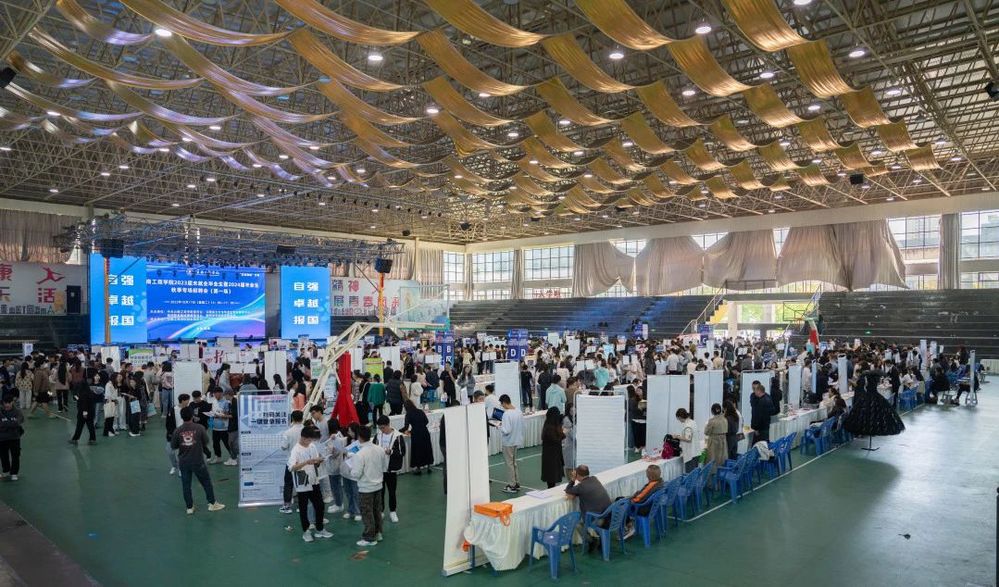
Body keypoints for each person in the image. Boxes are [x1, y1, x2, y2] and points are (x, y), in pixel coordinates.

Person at [170, 407, 225, 514]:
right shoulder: (199, 428)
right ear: (192, 416)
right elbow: (206, 441)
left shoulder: (177, 430)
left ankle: (189, 507)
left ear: (181, 417)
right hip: (197, 461)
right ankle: (212, 503)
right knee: (206, 482)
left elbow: (173, 446)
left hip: (184, 462)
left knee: (186, 485)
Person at [289, 426, 334, 543]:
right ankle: (306, 531)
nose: (310, 442)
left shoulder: (312, 446)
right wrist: (305, 462)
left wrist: (319, 460)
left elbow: (315, 460)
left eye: (311, 440)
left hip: (314, 480)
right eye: (309, 440)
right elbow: (292, 467)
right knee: (303, 508)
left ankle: (320, 528)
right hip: (302, 483)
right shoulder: (295, 450)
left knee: (320, 505)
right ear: (303, 438)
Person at [564, 464, 612, 552]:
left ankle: (591, 541)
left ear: (578, 475)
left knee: (577, 523)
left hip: (599, 519)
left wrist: (573, 479)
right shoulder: (594, 479)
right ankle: (601, 538)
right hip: (608, 515)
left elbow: (568, 490)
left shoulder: (581, 487)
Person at [351, 426, 385, 547]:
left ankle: (369, 537)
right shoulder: (380, 449)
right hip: (378, 486)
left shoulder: (360, 454)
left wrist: (351, 469)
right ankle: (378, 533)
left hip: (366, 488)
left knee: (367, 512)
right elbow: (384, 466)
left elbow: (356, 473)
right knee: (377, 510)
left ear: (359, 437)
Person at [376, 415, 405, 523]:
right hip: (380, 468)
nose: (381, 430)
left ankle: (393, 511)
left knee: (392, 492)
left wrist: (391, 452)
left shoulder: (398, 436)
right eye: (380, 428)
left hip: (391, 469)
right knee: (380, 491)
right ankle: (381, 511)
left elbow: (402, 452)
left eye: (383, 427)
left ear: (388, 425)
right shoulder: (378, 435)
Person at [279, 410, 305, 514]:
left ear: (292, 419)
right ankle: (301, 506)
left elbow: (283, 447)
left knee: (288, 484)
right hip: (304, 462)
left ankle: (287, 506)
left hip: (291, 462)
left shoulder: (288, 432)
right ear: (302, 418)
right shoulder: (306, 430)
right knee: (302, 484)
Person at [499, 394, 524, 493]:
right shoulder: (518, 411)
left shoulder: (506, 414)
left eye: (502, 404)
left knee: (509, 464)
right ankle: (516, 482)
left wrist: (499, 427)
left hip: (508, 442)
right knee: (514, 463)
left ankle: (512, 485)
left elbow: (506, 430)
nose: (502, 406)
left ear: (504, 403)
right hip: (516, 440)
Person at [400, 400, 433, 475]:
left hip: (416, 433)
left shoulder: (408, 414)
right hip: (425, 432)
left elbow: (406, 427)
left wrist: (398, 431)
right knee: (427, 449)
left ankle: (418, 469)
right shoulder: (420, 411)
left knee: (417, 451)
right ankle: (429, 467)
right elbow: (426, 421)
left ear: (406, 407)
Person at [338, 423, 362, 522]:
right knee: (348, 492)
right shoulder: (347, 440)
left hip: (354, 472)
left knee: (356, 493)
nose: (348, 433)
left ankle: (358, 511)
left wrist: (349, 454)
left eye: (350, 431)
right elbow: (338, 441)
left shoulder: (360, 443)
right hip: (346, 471)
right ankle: (351, 510)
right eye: (348, 431)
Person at [166, 393, 191, 476]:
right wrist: (170, 433)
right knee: (170, 451)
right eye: (187, 400)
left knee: (182, 453)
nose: (188, 402)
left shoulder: (188, 409)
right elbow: (168, 423)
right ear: (183, 401)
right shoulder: (172, 409)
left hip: (185, 434)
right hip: (173, 434)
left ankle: (181, 468)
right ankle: (175, 465)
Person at [0, 395, 24, 481]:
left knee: (15, 456)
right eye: (5, 403)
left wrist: (5, 424)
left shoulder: (18, 411)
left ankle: (14, 473)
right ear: (3, 403)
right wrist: (11, 423)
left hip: (15, 437)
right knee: (3, 456)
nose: (7, 405)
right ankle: (6, 471)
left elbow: (18, 422)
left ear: (12, 402)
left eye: (9, 403)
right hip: (2, 438)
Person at [68, 378, 97, 446]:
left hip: (83, 413)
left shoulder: (83, 393)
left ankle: (75, 439)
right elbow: (80, 400)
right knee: (90, 426)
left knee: (79, 426)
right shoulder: (89, 392)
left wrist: (84, 413)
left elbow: (84, 404)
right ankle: (92, 439)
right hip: (90, 412)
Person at [540, 407, 564, 488]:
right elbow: (556, 439)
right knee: (552, 476)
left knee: (552, 476)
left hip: (553, 455)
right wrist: (563, 434)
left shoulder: (550, 424)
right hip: (551, 456)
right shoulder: (550, 428)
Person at [674, 408, 700, 472]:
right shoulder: (693, 422)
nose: (679, 421)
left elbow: (688, 439)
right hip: (695, 452)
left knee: (690, 474)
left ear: (680, 417)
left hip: (690, 454)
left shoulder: (688, 425)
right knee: (695, 473)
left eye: (678, 419)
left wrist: (677, 437)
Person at [704, 403, 728, 467]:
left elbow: (706, 432)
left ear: (712, 411)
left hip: (714, 442)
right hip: (723, 440)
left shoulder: (712, 421)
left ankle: (713, 472)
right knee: (722, 458)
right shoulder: (725, 419)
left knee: (713, 459)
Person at [562, 402, 576, 479]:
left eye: (575, 410)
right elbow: (572, 435)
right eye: (571, 411)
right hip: (569, 446)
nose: (574, 412)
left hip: (573, 446)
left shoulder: (574, 419)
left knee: (574, 466)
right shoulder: (567, 420)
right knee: (570, 467)